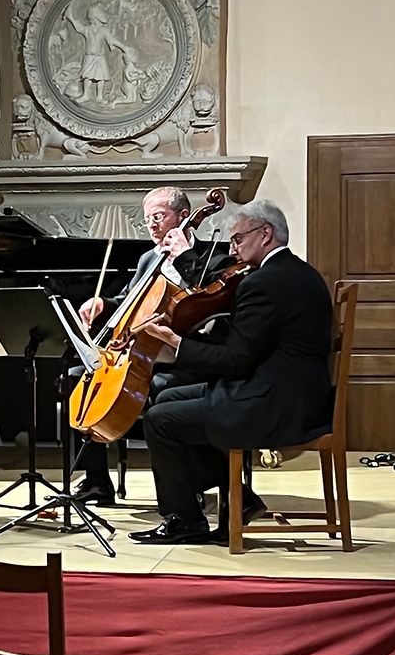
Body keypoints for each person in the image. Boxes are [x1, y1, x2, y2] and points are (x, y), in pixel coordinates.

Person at [129, 200, 334, 544]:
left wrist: (176, 344)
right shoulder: (299, 272)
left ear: (265, 234)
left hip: (277, 403)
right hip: (298, 393)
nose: (233, 249)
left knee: (160, 419)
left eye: (238, 239)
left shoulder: (263, 283)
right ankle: (238, 495)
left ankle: (185, 519)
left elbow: (237, 359)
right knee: (168, 397)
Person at [72, 186, 236, 505]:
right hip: (141, 354)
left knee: (163, 388)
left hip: (186, 358)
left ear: (183, 216)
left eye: (158, 217)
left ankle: (189, 486)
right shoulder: (148, 258)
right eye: (147, 219)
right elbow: (129, 301)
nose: (152, 225)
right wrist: (102, 303)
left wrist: (184, 257)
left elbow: (210, 304)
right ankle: (96, 481)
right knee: (78, 377)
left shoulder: (213, 259)